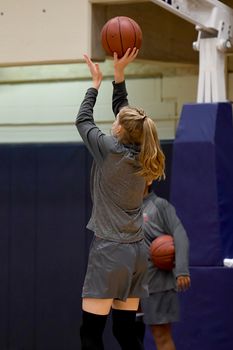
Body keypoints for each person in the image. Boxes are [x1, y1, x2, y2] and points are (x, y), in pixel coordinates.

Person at [75, 47, 165, 350]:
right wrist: (119, 74)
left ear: (120, 131)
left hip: (110, 250)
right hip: (137, 253)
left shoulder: (109, 149)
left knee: (91, 333)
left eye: (116, 122)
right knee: (126, 334)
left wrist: (95, 83)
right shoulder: (144, 152)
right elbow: (126, 115)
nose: (113, 123)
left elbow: (83, 120)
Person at [139, 182, 191, 350]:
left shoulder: (160, 205)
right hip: (132, 286)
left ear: (148, 180)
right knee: (129, 336)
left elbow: (180, 234)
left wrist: (181, 270)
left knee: (161, 336)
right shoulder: (126, 209)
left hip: (158, 283)